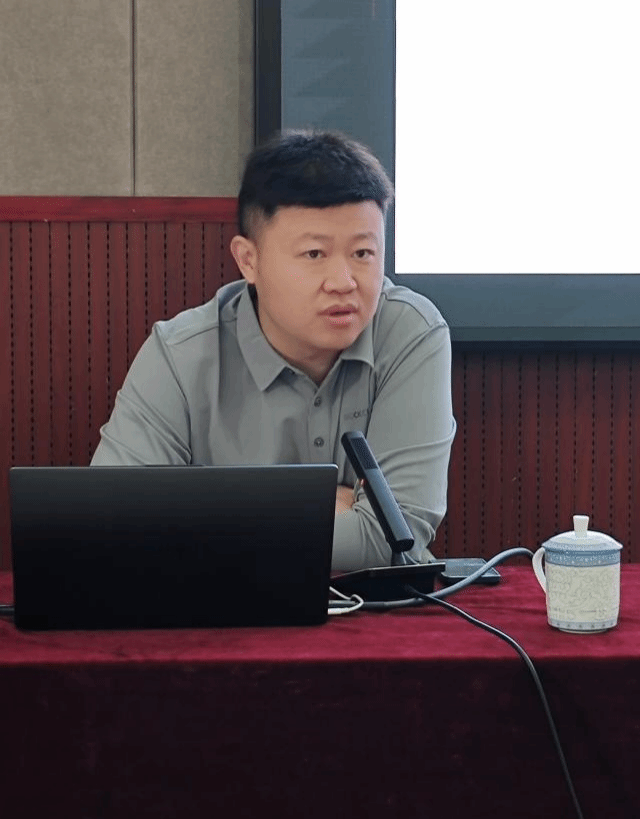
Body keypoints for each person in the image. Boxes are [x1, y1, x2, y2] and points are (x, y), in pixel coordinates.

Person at [91, 130, 456, 570]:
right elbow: (114, 527)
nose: (344, 281)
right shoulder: (180, 355)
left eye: (363, 253)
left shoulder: (410, 333)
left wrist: (203, 518)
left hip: (381, 607)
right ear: (248, 260)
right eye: (314, 254)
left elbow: (394, 539)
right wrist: (327, 508)